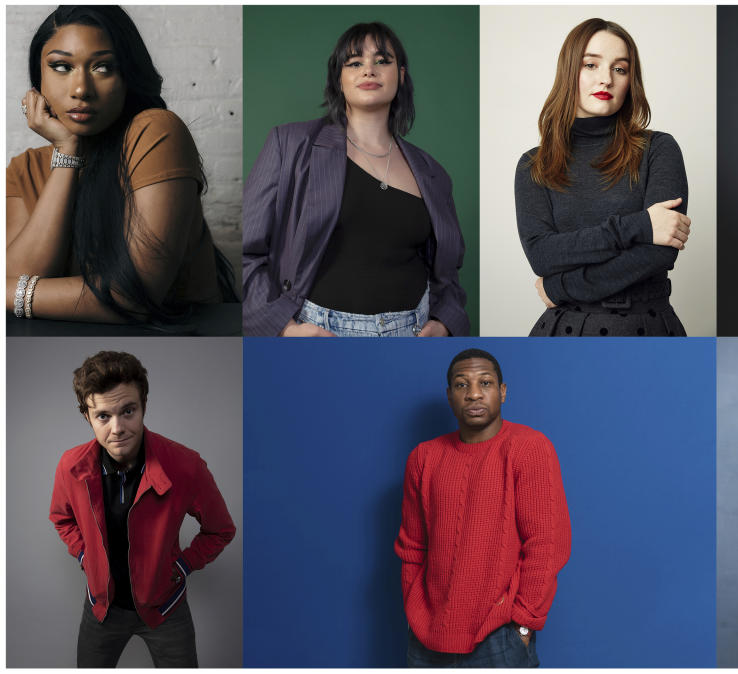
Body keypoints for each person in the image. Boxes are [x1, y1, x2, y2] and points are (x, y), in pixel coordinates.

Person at [7, 5, 237, 325]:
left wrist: (11, 293)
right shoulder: (25, 168)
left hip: (177, 343)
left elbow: (134, 294)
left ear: (127, 75)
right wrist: (67, 152)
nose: (80, 90)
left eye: (103, 67)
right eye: (61, 66)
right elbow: (18, 277)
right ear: (38, 80)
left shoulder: (155, 131)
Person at [242, 21, 469, 337]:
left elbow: (448, 274)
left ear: (400, 76)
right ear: (339, 79)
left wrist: (445, 323)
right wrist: (284, 328)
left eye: (382, 60)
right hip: (319, 334)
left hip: (412, 335)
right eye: (355, 62)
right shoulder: (290, 144)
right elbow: (247, 253)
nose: (369, 70)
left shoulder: (433, 173)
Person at [49, 351, 236, 667]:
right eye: (103, 416)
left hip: (166, 609)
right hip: (102, 609)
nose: (118, 428)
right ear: (87, 418)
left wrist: (182, 567)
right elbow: (61, 517)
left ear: (144, 406)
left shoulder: (186, 465)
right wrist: (85, 556)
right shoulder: (71, 466)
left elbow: (221, 529)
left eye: (128, 411)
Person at [514, 18, 691, 337]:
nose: (606, 79)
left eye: (620, 69)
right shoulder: (533, 164)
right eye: (591, 65)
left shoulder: (658, 149)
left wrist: (561, 286)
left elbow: (659, 254)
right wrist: (640, 225)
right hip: (562, 331)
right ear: (570, 72)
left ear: (630, 80)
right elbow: (543, 256)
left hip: (646, 327)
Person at [395, 349, 571, 666]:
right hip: (426, 635)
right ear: (449, 397)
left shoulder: (529, 448)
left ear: (502, 392)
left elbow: (547, 543)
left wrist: (524, 621)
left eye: (485, 383)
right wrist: (414, 611)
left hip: (498, 633)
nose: (474, 393)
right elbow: (412, 546)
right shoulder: (423, 457)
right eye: (462, 385)